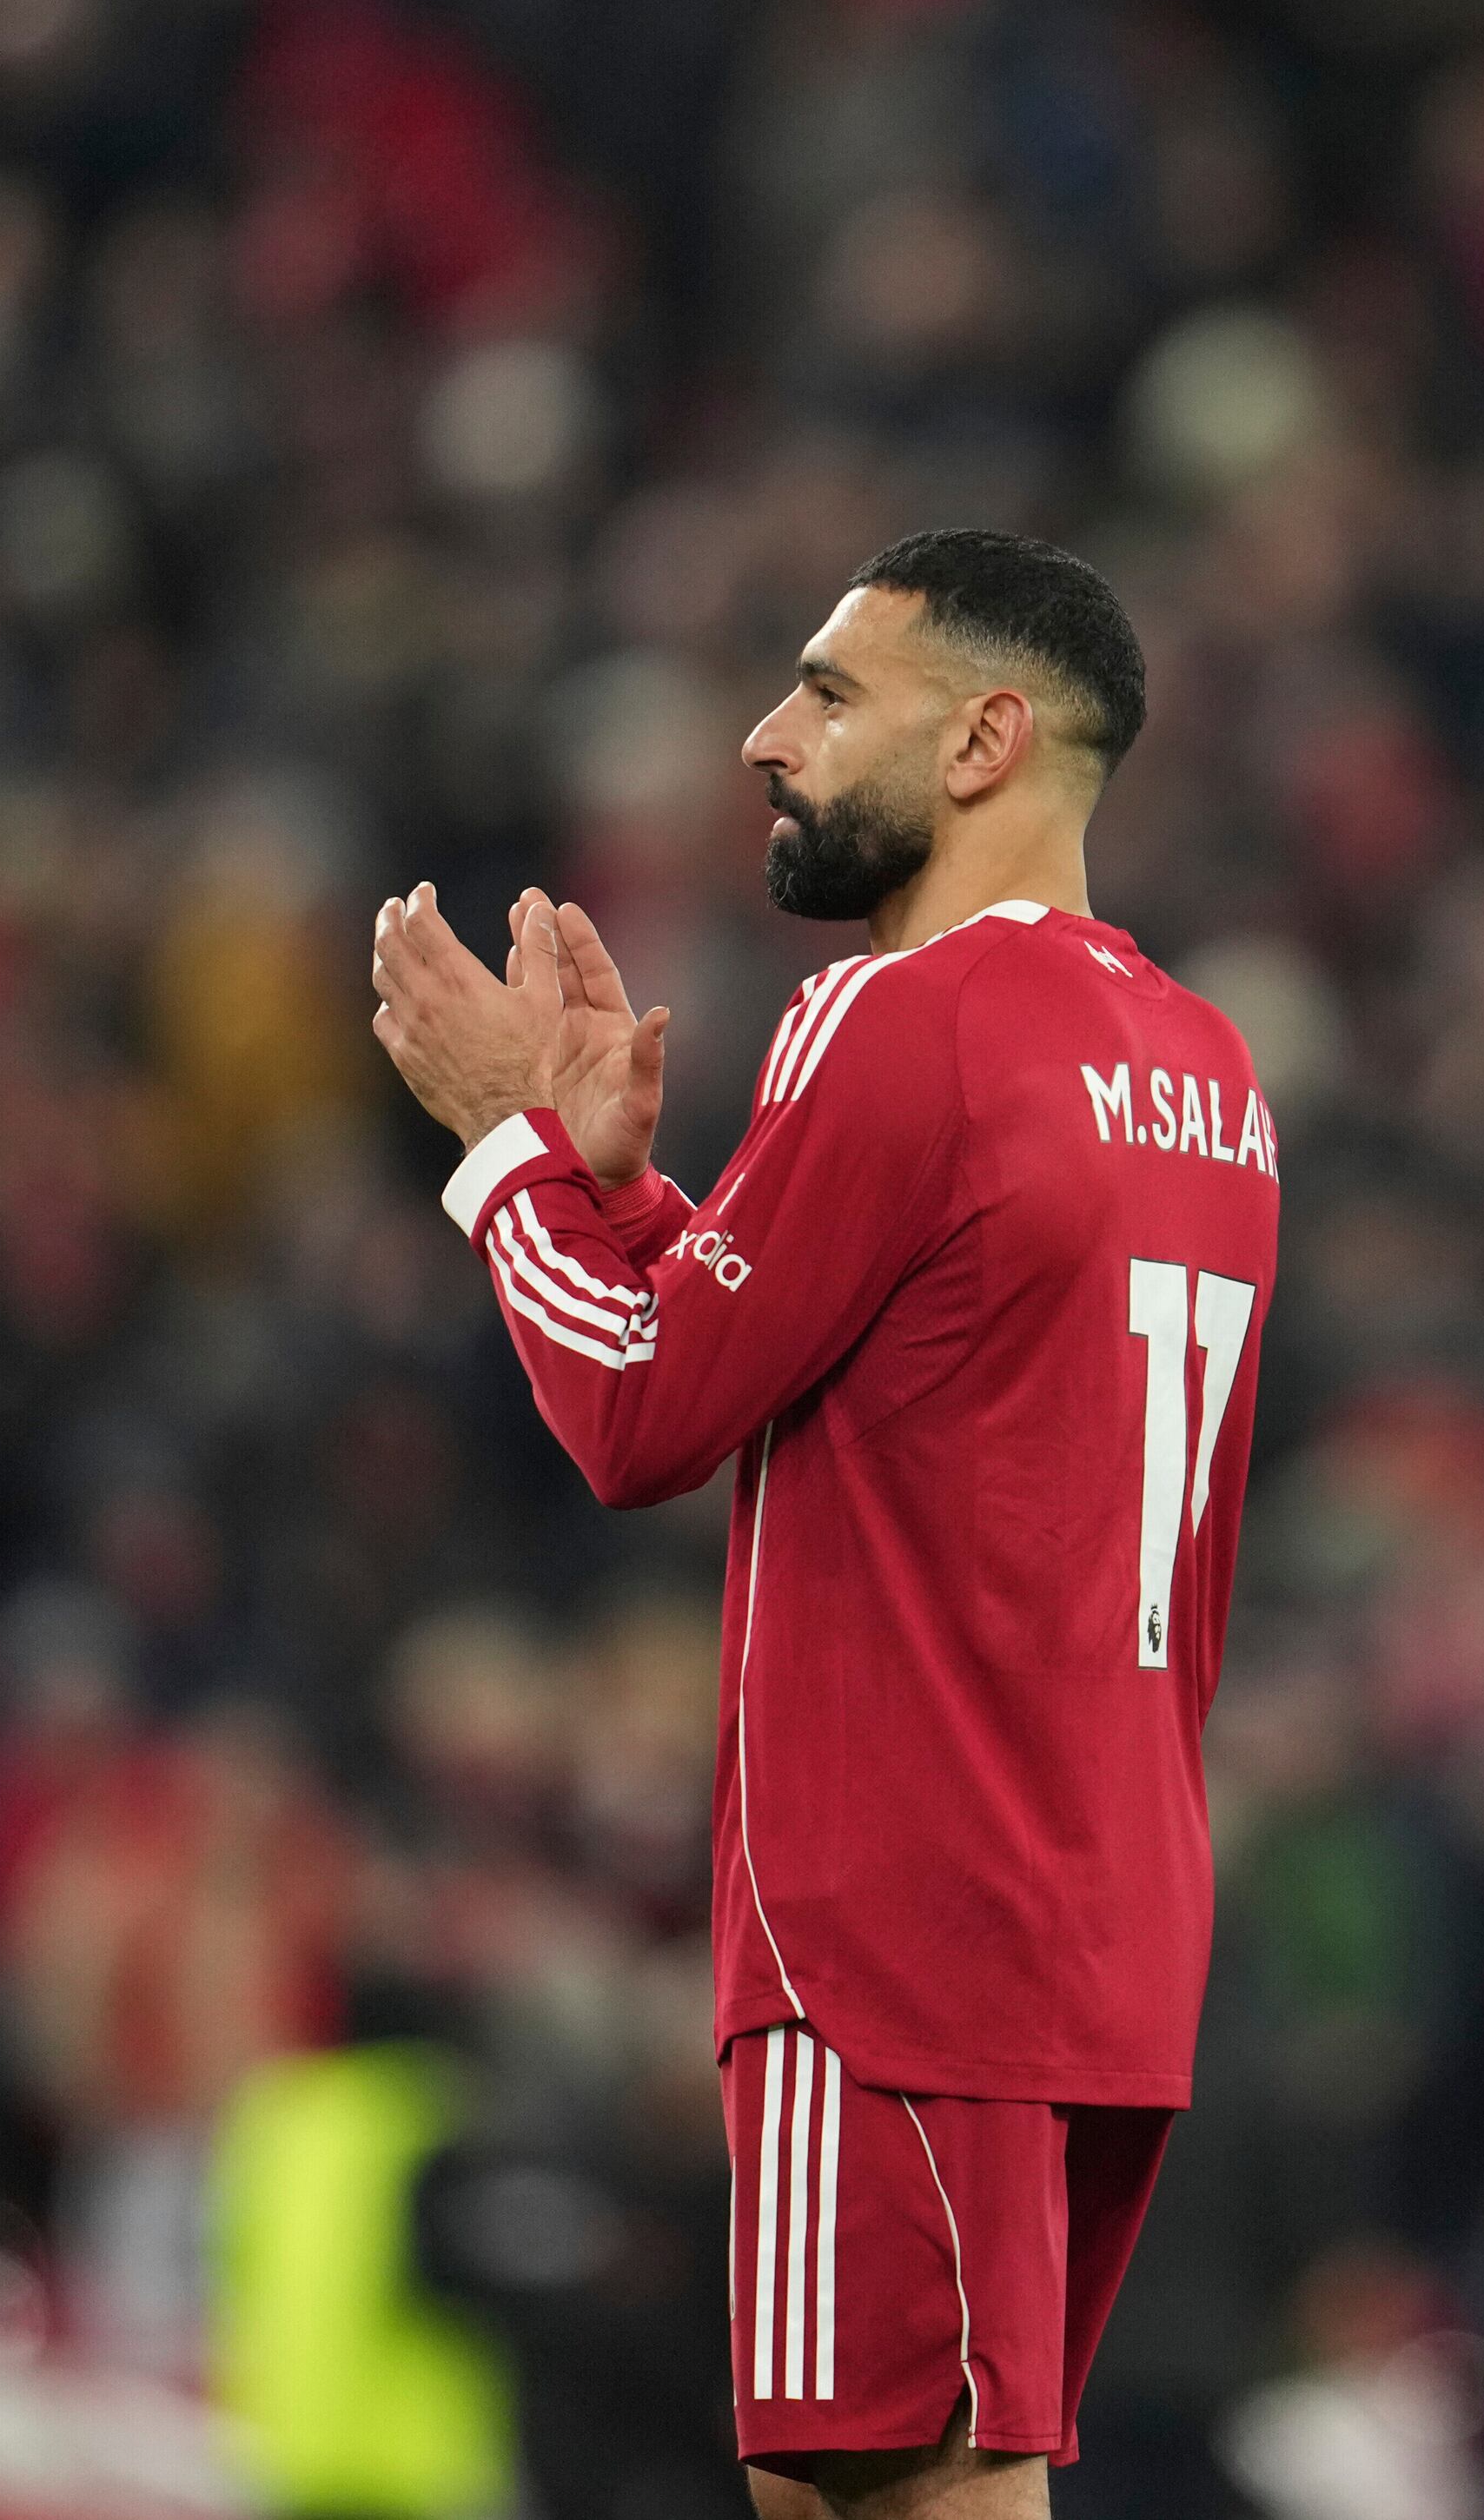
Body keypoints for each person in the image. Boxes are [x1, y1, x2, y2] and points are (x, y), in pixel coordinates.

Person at [366, 530, 1278, 2518]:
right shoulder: (1204, 1067)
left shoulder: (892, 1016)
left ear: (984, 740)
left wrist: (504, 1149)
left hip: (891, 1922)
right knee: (903, 2484)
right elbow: (880, 1354)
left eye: (830, 692)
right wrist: (623, 1195)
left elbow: (640, 1409)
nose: (767, 737)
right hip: (1101, 1918)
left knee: (896, 2497)